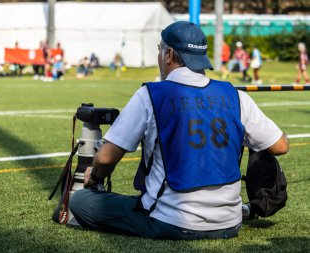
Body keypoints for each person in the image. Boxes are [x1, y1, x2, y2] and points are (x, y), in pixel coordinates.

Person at [69, 21, 289, 240]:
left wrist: (94, 176)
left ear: (169, 54)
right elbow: (280, 145)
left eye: (159, 50)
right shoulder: (236, 95)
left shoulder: (151, 94)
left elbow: (106, 158)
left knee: (79, 201)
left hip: (170, 221)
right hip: (230, 223)